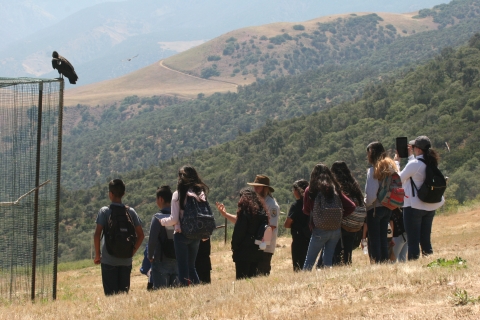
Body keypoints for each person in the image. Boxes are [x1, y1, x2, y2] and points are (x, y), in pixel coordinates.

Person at [394, 136, 444, 260]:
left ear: (418, 149)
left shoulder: (415, 164)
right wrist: (411, 156)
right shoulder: (431, 162)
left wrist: (396, 162)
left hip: (414, 206)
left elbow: (398, 179)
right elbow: (415, 172)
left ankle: (414, 265)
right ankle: (429, 262)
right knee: (426, 240)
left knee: (413, 241)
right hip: (430, 205)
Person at [93, 179, 145, 295]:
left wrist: (97, 255)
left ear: (110, 194)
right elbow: (141, 235)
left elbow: (97, 234)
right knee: (123, 296)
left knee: (111, 297)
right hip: (126, 261)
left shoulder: (105, 211)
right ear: (123, 194)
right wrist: (132, 251)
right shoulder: (130, 212)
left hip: (108, 260)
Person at [160, 166, 209, 286]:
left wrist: (162, 221)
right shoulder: (200, 193)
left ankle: (184, 289)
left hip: (181, 235)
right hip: (195, 234)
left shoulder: (177, 195)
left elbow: (174, 219)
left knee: (182, 267)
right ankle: (197, 288)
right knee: (192, 267)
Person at [216, 188, 269, 279]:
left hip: (244, 252)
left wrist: (234, 247)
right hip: (257, 249)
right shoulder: (262, 212)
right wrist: (225, 214)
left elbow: (239, 232)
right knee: (253, 279)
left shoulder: (245, 212)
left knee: (242, 279)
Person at [302, 163, 343, 269]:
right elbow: (350, 206)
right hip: (335, 228)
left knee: (310, 259)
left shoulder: (310, 189)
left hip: (319, 229)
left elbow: (306, 210)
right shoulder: (335, 188)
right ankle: (328, 279)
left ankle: (304, 280)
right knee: (328, 259)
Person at [364, 141, 396, 263]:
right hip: (388, 206)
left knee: (374, 239)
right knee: (383, 237)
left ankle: (377, 262)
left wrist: (366, 204)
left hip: (375, 208)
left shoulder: (373, 170)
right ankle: (385, 260)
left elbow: (371, 194)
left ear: (371, 153)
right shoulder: (391, 167)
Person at [330, 161, 365, 265]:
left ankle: (338, 265)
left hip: (345, 220)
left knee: (338, 247)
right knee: (348, 247)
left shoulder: (337, 185)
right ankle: (347, 263)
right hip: (357, 220)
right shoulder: (354, 184)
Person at [247, 175, 280, 276]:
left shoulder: (272, 205)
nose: (255, 189)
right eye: (254, 186)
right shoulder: (257, 202)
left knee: (262, 273)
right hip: (256, 245)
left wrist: (263, 244)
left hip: (265, 247)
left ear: (265, 188)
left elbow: (271, 226)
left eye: (258, 187)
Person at [148, 185, 178, 288]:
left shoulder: (157, 217)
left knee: (161, 293)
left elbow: (152, 239)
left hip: (161, 260)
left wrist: (150, 255)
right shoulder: (177, 216)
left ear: (160, 199)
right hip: (177, 258)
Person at [284, 179, 311, 271]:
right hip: (311, 237)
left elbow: (287, 224)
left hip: (298, 238)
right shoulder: (311, 203)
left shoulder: (295, 205)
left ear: (297, 190)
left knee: (298, 266)